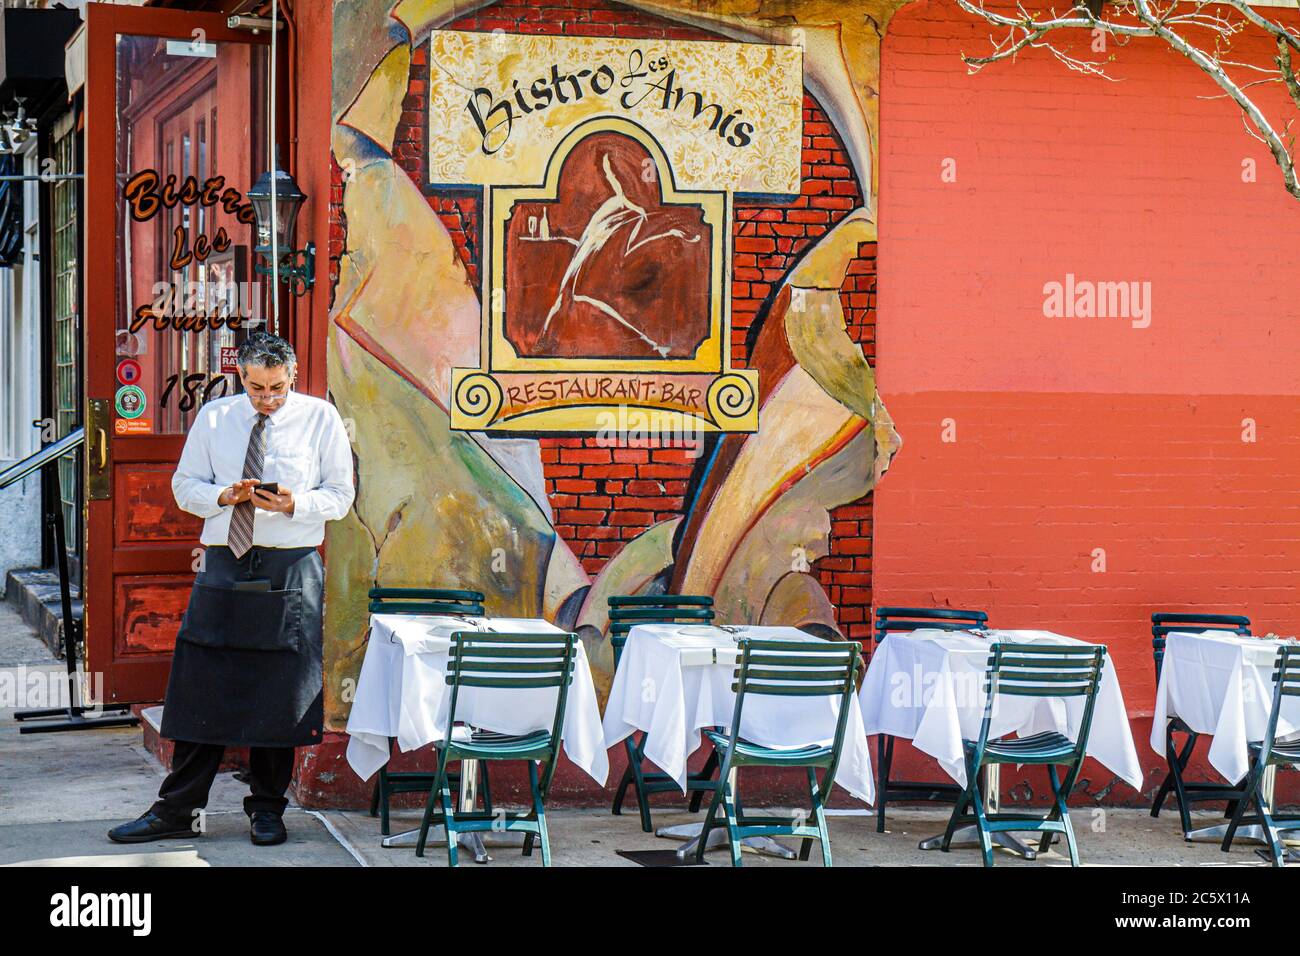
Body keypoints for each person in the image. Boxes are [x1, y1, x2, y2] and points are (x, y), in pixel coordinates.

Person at [108, 332, 354, 846]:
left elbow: (340, 496)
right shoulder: (216, 418)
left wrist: (291, 505)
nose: (267, 398)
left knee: (280, 691)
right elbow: (184, 486)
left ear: (292, 377)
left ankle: (267, 810)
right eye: (257, 387)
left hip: (291, 567)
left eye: (278, 388)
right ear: (241, 376)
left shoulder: (320, 418)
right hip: (224, 563)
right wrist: (225, 494)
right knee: (203, 682)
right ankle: (177, 808)